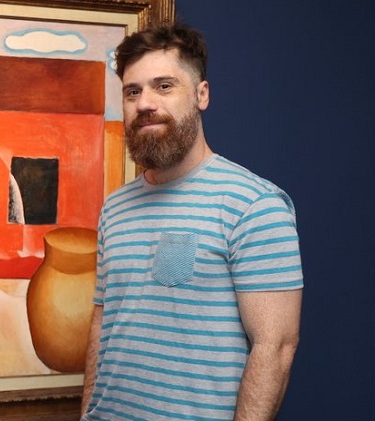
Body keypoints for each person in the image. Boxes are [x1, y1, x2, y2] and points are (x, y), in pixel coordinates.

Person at [81, 22, 303, 421]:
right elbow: (103, 323)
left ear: (202, 94)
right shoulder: (114, 209)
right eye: (133, 91)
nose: (145, 103)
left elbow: (275, 348)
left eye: (164, 86)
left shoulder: (255, 205)